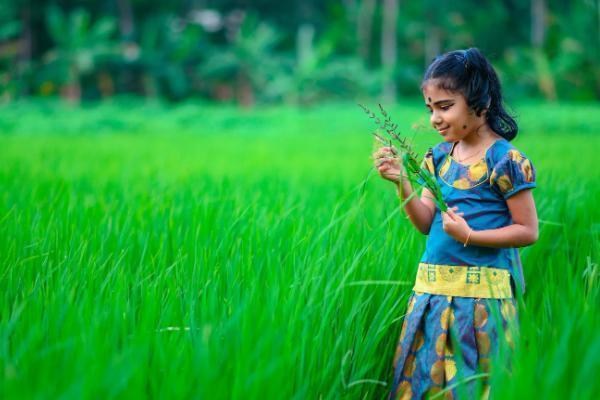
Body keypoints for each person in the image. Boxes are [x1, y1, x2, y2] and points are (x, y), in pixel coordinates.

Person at [373, 48, 539, 399]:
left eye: (445, 106)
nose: (435, 117)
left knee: (477, 383)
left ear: (481, 101)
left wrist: (470, 235)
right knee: (425, 383)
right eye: (430, 108)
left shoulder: (505, 160)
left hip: (482, 301)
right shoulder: (438, 158)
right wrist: (401, 181)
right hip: (432, 294)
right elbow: (424, 222)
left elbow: (528, 230)